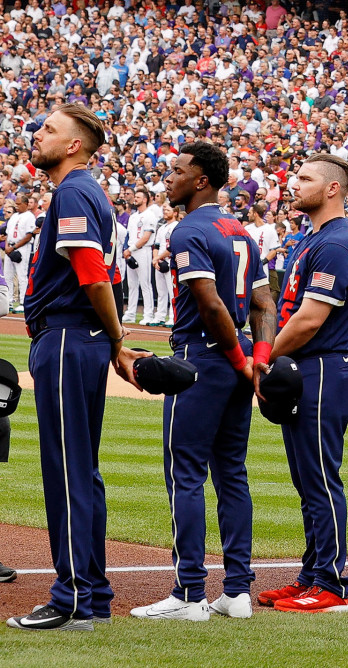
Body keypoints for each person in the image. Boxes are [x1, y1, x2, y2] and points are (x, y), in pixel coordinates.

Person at [6, 103, 145, 632]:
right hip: (76, 338)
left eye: (48, 129)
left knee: (66, 472)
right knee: (81, 471)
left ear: (73, 146)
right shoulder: (88, 191)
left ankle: (72, 601)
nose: (36, 134)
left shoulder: (72, 190)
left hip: (67, 338)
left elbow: (91, 273)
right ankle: (94, 594)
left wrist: (118, 339)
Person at [130, 142, 276, 622]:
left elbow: (212, 305)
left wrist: (239, 360)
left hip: (201, 357)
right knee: (232, 473)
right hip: (235, 363)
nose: (166, 178)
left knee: (186, 473)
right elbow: (265, 305)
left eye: (176, 171)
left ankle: (189, 593)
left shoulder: (187, 229)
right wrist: (257, 360)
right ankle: (236, 592)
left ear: (200, 181)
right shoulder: (243, 233)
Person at [258, 154, 348, 612]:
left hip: (322, 367)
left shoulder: (339, 243)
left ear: (332, 189)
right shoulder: (310, 238)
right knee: (307, 482)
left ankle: (331, 584)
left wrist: (263, 357)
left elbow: (308, 320)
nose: (293, 184)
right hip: (304, 368)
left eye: (305, 178)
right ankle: (311, 575)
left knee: (320, 479)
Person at [121, 188, 158, 324]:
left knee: (145, 283)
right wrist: (127, 249)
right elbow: (129, 235)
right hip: (131, 251)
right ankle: (131, 312)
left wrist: (130, 249)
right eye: (135, 196)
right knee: (132, 284)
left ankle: (148, 314)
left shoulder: (150, 215)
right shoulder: (133, 216)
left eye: (138, 197)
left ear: (145, 199)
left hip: (143, 250)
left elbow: (146, 237)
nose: (135, 199)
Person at [149, 206, 177, 326]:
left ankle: (172, 317)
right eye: (164, 210)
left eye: (168, 210)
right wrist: (155, 260)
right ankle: (160, 316)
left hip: (170, 260)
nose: (165, 212)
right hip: (160, 261)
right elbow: (156, 245)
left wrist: (157, 258)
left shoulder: (176, 226)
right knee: (161, 292)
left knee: (172, 292)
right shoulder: (162, 227)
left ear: (175, 213)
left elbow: (173, 247)